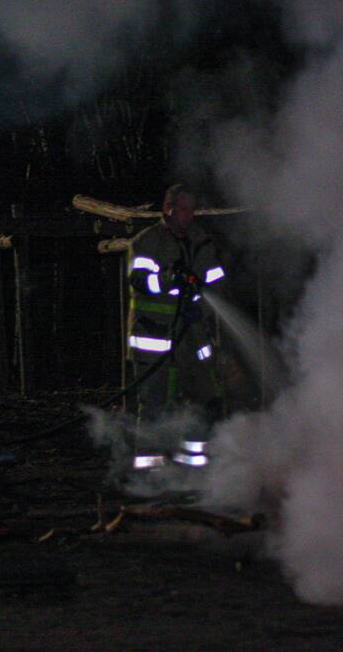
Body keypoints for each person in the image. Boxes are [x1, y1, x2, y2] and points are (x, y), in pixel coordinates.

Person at [125, 184, 226, 473]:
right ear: (168, 209)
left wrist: (201, 291)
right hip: (154, 339)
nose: (190, 215)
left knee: (203, 402)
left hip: (192, 337)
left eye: (192, 209)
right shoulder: (147, 242)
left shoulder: (199, 240)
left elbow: (216, 277)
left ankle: (194, 468)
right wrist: (171, 279)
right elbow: (141, 282)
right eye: (184, 209)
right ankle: (151, 473)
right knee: (155, 407)